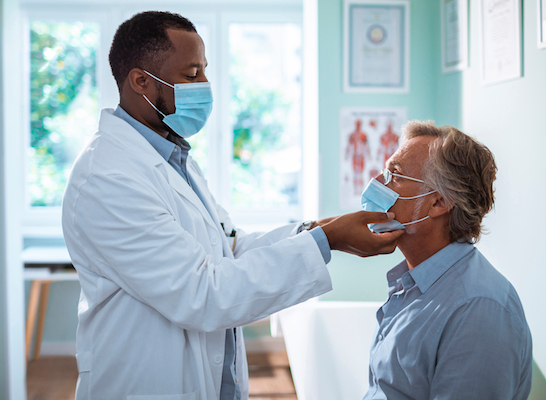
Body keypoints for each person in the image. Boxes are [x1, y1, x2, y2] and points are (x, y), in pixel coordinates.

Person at [61, 11, 403, 400]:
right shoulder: (109, 178)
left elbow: (228, 249)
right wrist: (326, 240)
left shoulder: (173, 159)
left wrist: (313, 231)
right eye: (192, 75)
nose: (206, 86)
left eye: (205, 71)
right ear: (140, 81)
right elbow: (203, 293)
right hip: (143, 384)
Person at [361, 121, 533, 400]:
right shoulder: (413, 284)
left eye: (395, 174)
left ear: (438, 202)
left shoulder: (478, 309)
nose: (378, 183)